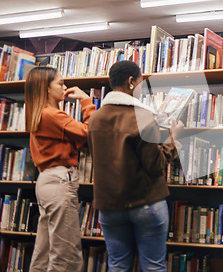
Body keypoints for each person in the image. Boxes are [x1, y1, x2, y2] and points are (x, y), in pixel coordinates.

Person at [87, 60, 182, 271]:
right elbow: (156, 165)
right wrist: (172, 139)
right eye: (140, 83)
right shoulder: (142, 116)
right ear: (131, 82)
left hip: (109, 206)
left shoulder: (95, 118)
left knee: (118, 265)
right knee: (153, 266)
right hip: (145, 203)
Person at [25, 66, 96, 271]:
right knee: (66, 256)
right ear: (46, 88)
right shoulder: (52, 115)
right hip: (59, 183)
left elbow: (76, 140)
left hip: (48, 182)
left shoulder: (42, 113)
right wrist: (85, 100)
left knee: (45, 252)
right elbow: (91, 132)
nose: (65, 87)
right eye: (60, 83)